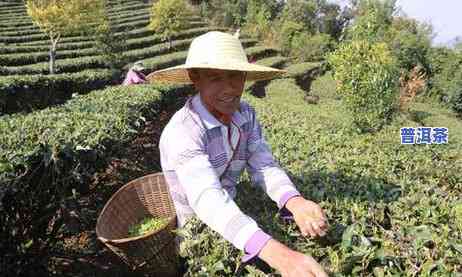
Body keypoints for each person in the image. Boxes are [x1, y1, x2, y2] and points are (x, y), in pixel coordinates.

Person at [148, 31, 329, 277]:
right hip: (198, 231)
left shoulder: (246, 115)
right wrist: (281, 256)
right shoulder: (183, 132)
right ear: (195, 78)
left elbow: (263, 164)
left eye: (235, 76)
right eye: (215, 78)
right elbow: (208, 200)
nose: (230, 88)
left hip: (236, 214)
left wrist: (295, 202)